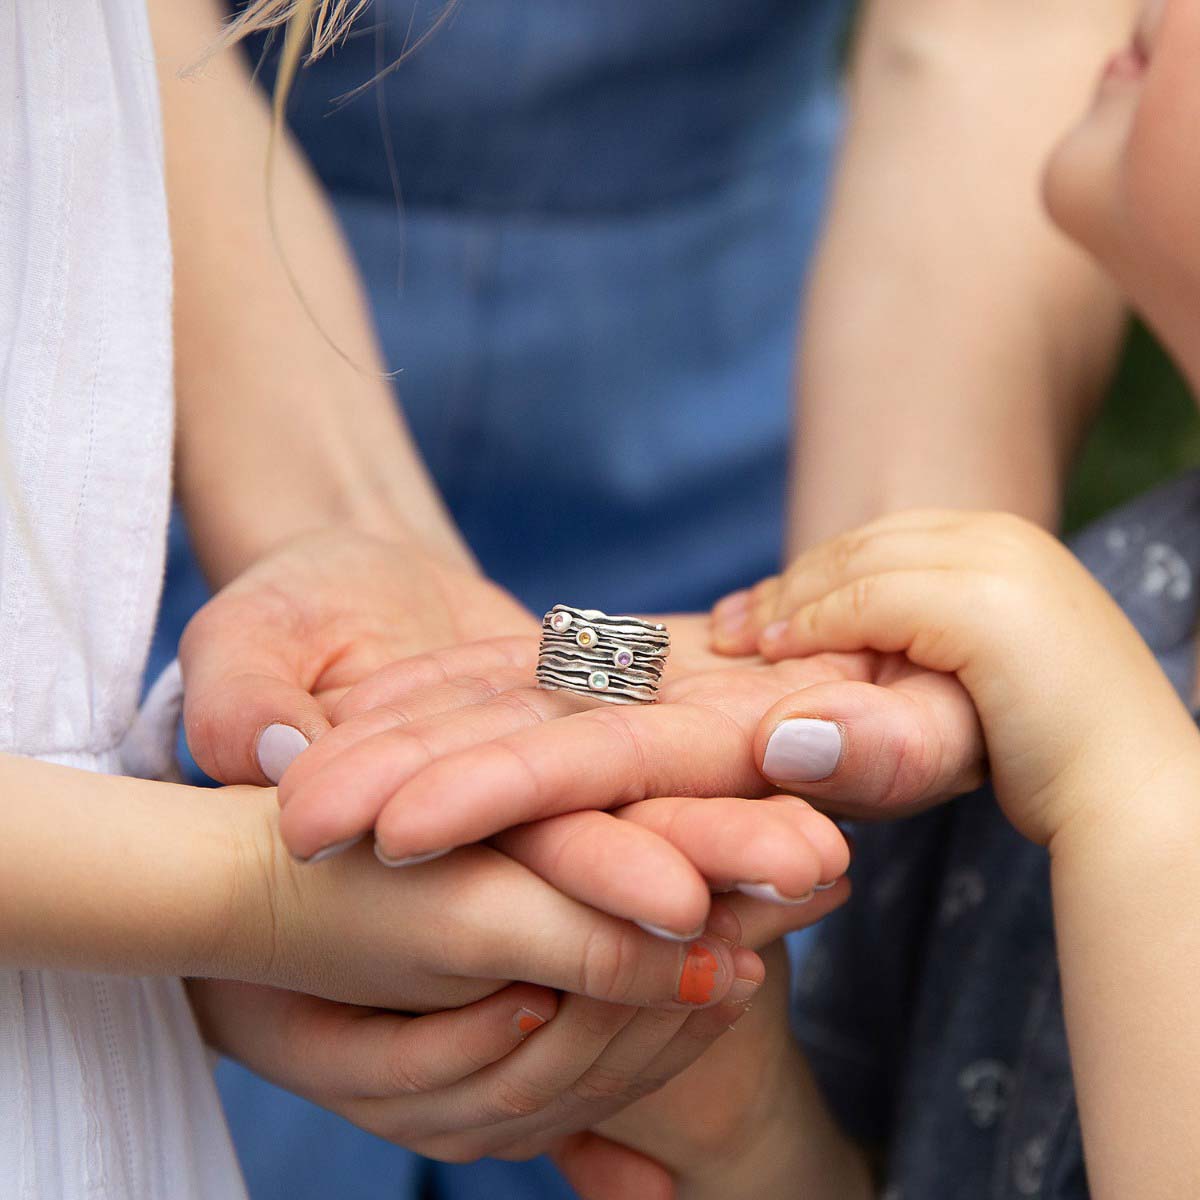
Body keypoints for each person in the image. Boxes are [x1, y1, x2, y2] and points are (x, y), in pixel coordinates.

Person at [155, 0, 1138, 1194]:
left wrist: (885, 590)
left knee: (682, 990)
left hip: (757, 396)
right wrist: (318, 518)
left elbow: (996, 44)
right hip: (190, 299)